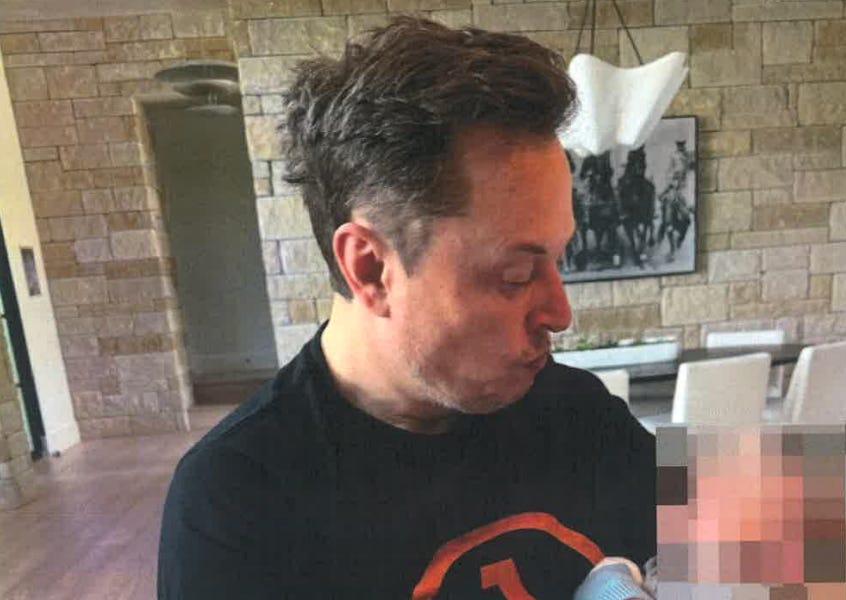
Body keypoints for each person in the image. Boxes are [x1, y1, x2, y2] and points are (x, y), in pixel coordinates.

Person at [157, 16, 654, 599]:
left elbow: (752, 546)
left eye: (559, 259)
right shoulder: (234, 501)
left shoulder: (582, 415)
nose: (560, 313)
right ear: (370, 268)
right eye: (515, 275)